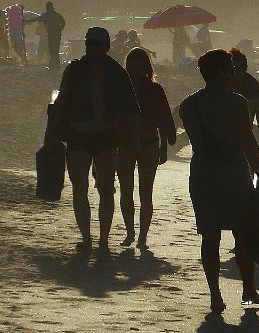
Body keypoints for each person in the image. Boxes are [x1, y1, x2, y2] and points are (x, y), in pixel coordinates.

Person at [179, 49, 259, 311]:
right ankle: (248, 290)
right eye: (230, 69)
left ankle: (215, 296)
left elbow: (190, 136)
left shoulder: (188, 104)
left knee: (210, 236)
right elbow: (247, 141)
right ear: (220, 73)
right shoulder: (237, 103)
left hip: (202, 173)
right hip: (233, 172)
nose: (234, 73)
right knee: (242, 233)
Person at [51, 27, 142, 254]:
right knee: (79, 187)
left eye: (97, 44)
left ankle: (102, 239)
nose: (92, 48)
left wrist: (136, 139)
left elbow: (132, 109)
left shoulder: (117, 72)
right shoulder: (74, 70)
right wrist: (50, 133)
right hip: (78, 135)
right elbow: (61, 101)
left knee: (105, 189)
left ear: (107, 47)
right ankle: (87, 238)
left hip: (106, 136)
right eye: (89, 43)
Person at [117, 48, 176, 248]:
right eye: (130, 64)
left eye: (137, 64)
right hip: (125, 144)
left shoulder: (155, 89)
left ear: (146, 66)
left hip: (149, 143)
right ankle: (130, 232)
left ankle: (142, 236)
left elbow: (165, 119)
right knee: (126, 191)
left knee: (145, 193)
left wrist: (165, 147)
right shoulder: (122, 90)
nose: (133, 68)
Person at [231, 48, 259, 174]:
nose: (233, 73)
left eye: (236, 69)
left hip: (245, 149)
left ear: (243, 69)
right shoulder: (223, 84)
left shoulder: (254, 90)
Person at [24, 1, 65, 70]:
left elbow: (36, 19)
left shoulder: (45, 15)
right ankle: (57, 66)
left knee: (51, 50)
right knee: (56, 50)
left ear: (46, 8)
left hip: (51, 34)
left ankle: (52, 66)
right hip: (57, 34)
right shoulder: (57, 14)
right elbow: (63, 22)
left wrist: (27, 21)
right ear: (53, 7)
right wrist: (60, 29)